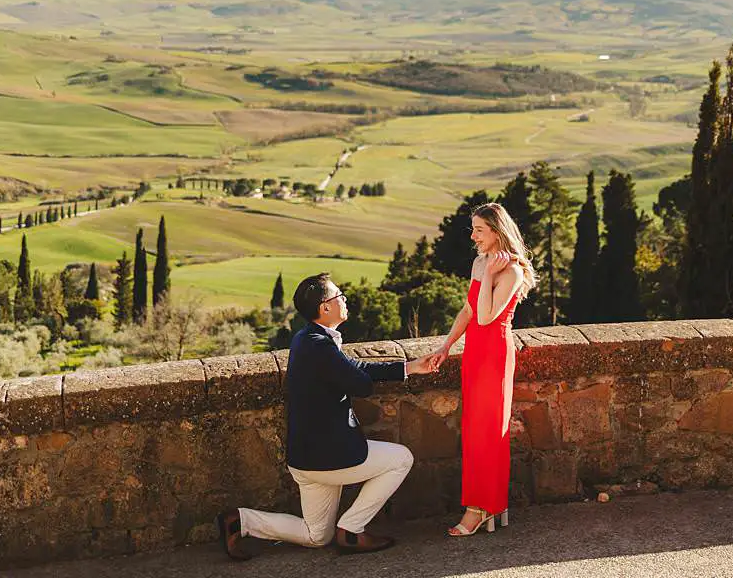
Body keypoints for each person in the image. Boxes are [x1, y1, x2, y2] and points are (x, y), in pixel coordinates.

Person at [217, 273, 443, 559]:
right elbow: (359, 383)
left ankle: (240, 521)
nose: (345, 299)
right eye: (340, 296)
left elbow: (353, 367)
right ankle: (351, 529)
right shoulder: (320, 346)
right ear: (325, 307)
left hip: (305, 458)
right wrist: (356, 375)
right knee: (401, 458)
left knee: (316, 536)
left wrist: (408, 367)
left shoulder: (306, 338)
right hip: (329, 458)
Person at [429, 202, 536, 537]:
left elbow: (488, 316)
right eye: (473, 228)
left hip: (494, 355)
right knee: (474, 430)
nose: (473, 236)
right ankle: (485, 506)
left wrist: (491, 275)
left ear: (497, 231)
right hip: (475, 351)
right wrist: (446, 345)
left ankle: (482, 508)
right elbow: (469, 309)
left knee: (490, 432)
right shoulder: (480, 261)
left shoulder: (513, 271)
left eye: (479, 230)